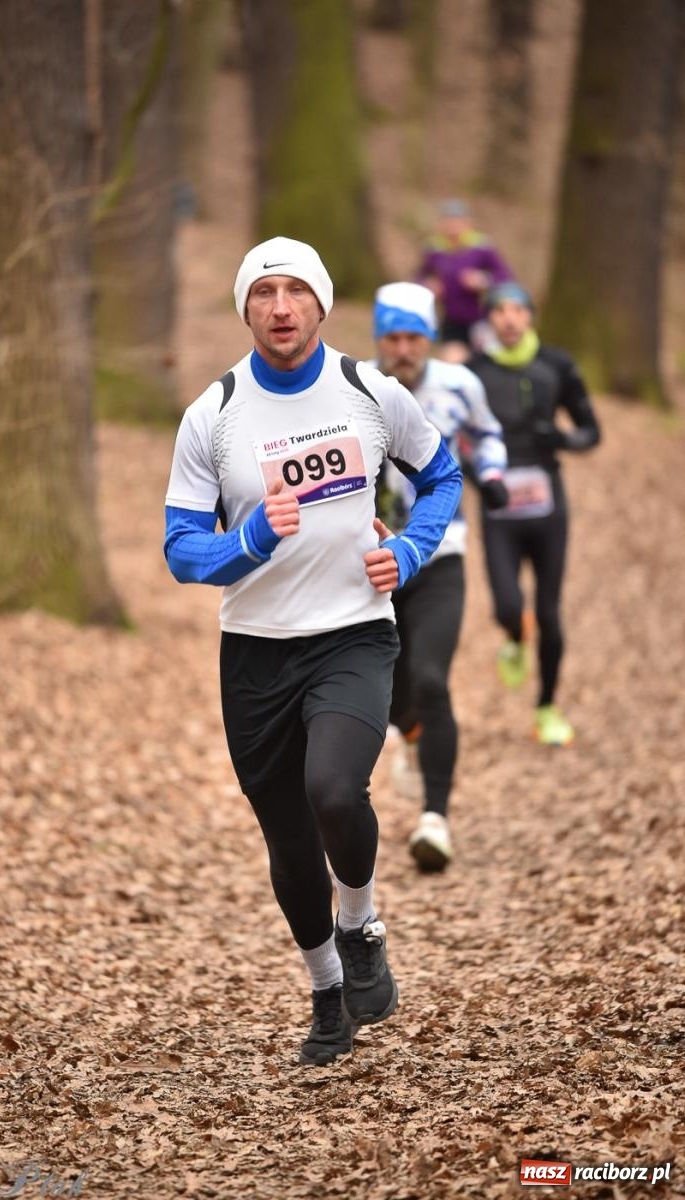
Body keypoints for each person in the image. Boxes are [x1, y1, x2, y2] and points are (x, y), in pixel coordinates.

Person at [164, 237, 462, 1066]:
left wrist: (407, 553)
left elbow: (442, 478)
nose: (282, 307)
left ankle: (360, 921)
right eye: (265, 293)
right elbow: (181, 550)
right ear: (245, 308)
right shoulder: (213, 414)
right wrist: (249, 538)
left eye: (297, 292)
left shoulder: (369, 391)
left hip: (354, 634)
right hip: (255, 652)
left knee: (335, 791)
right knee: (289, 843)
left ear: (322, 305)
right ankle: (326, 989)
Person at [370, 282, 508, 871]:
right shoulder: (357, 388)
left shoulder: (459, 385)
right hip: (377, 556)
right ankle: (413, 733)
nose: (403, 348)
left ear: (429, 339)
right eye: (393, 337)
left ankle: (436, 818)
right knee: (391, 692)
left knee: (431, 675)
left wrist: (495, 475)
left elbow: (488, 434)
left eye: (414, 338)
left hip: (441, 551)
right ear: (380, 338)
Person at [468, 282, 601, 746]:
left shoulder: (557, 366)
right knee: (508, 607)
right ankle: (513, 635)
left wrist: (561, 439)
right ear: (488, 318)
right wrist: (479, 475)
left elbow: (591, 431)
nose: (508, 319)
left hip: (548, 508)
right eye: (499, 310)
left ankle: (546, 707)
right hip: (499, 508)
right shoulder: (474, 372)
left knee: (550, 611)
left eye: (517, 310)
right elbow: (456, 440)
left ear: (530, 317)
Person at [414, 199, 513, 353]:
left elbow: (505, 276)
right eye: (448, 221)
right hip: (451, 320)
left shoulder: (482, 246)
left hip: (481, 319)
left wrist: (483, 280)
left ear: (468, 223)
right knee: (453, 361)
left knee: (484, 359)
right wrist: (429, 286)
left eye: (457, 221)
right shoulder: (434, 249)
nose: (453, 227)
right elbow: (419, 278)